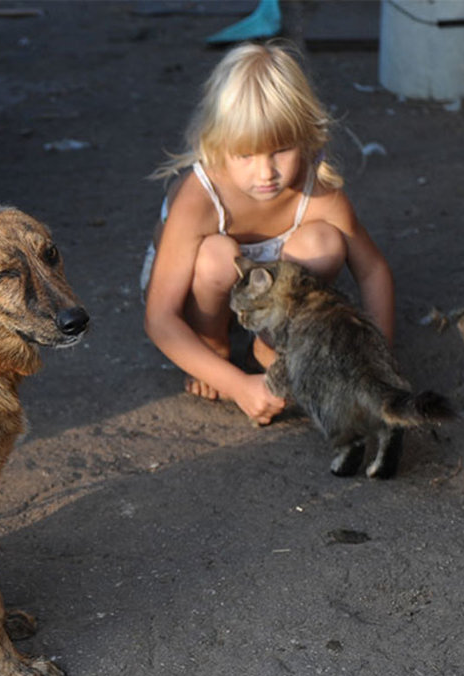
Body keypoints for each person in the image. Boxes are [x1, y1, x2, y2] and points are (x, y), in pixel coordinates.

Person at [142, 40, 394, 426]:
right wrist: (240, 386)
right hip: (197, 282)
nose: (266, 173)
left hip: (272, 288)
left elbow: (373, 271)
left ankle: (270, 343)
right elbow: (159, 317)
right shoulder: (199, 198)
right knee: (217, 256)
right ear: (217, 145)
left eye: (281, 150)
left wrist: (379, 366)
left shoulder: (319, 191)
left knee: (324, 244)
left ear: (307, 138)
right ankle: (212, 344)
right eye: (245, 154)